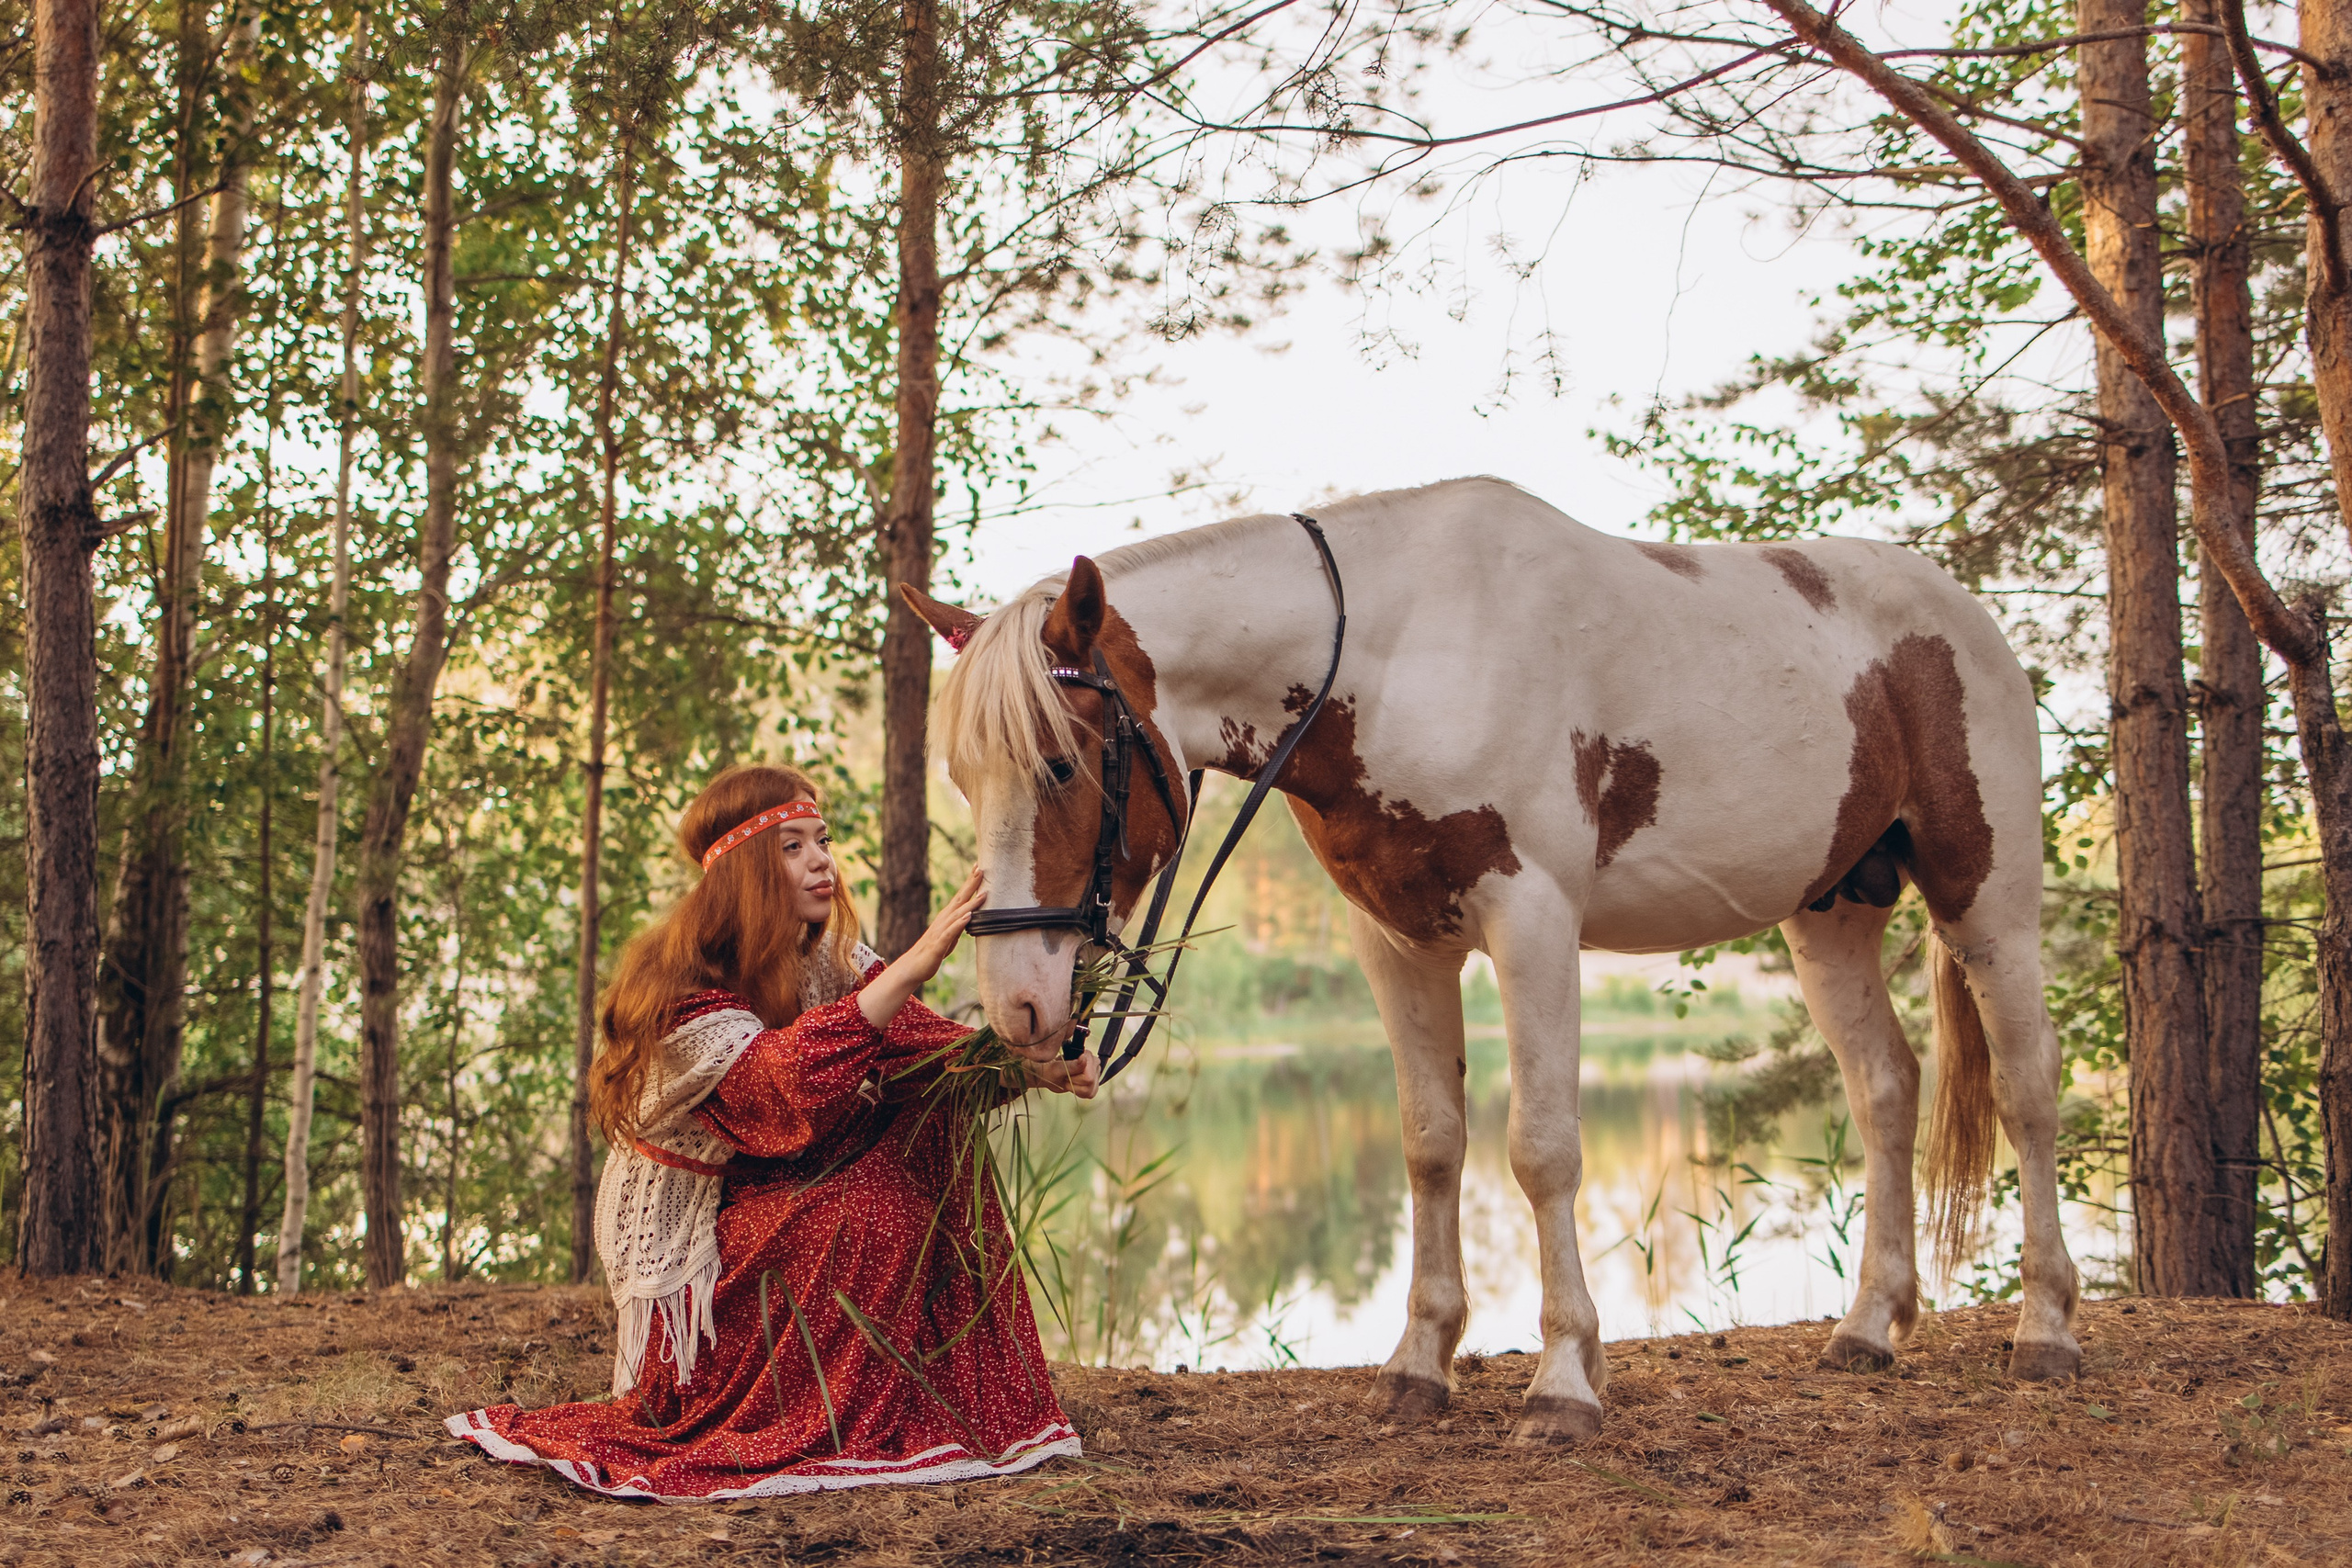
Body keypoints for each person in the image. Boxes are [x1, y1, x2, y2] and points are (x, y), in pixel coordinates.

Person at [447, 763, 1097, 1500]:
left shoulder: (828, 959)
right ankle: (814, 1412)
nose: (823, 859)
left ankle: (896, 1400)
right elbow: (774, 1090)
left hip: (776, 1193)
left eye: (822, 839)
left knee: (929, 1150)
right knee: (866, 1204)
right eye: (794, 846)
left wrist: (1034, 1063)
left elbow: (926, 1056)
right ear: (748, 869)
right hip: (701, 1244)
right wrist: (912, 965)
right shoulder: (681, 982)